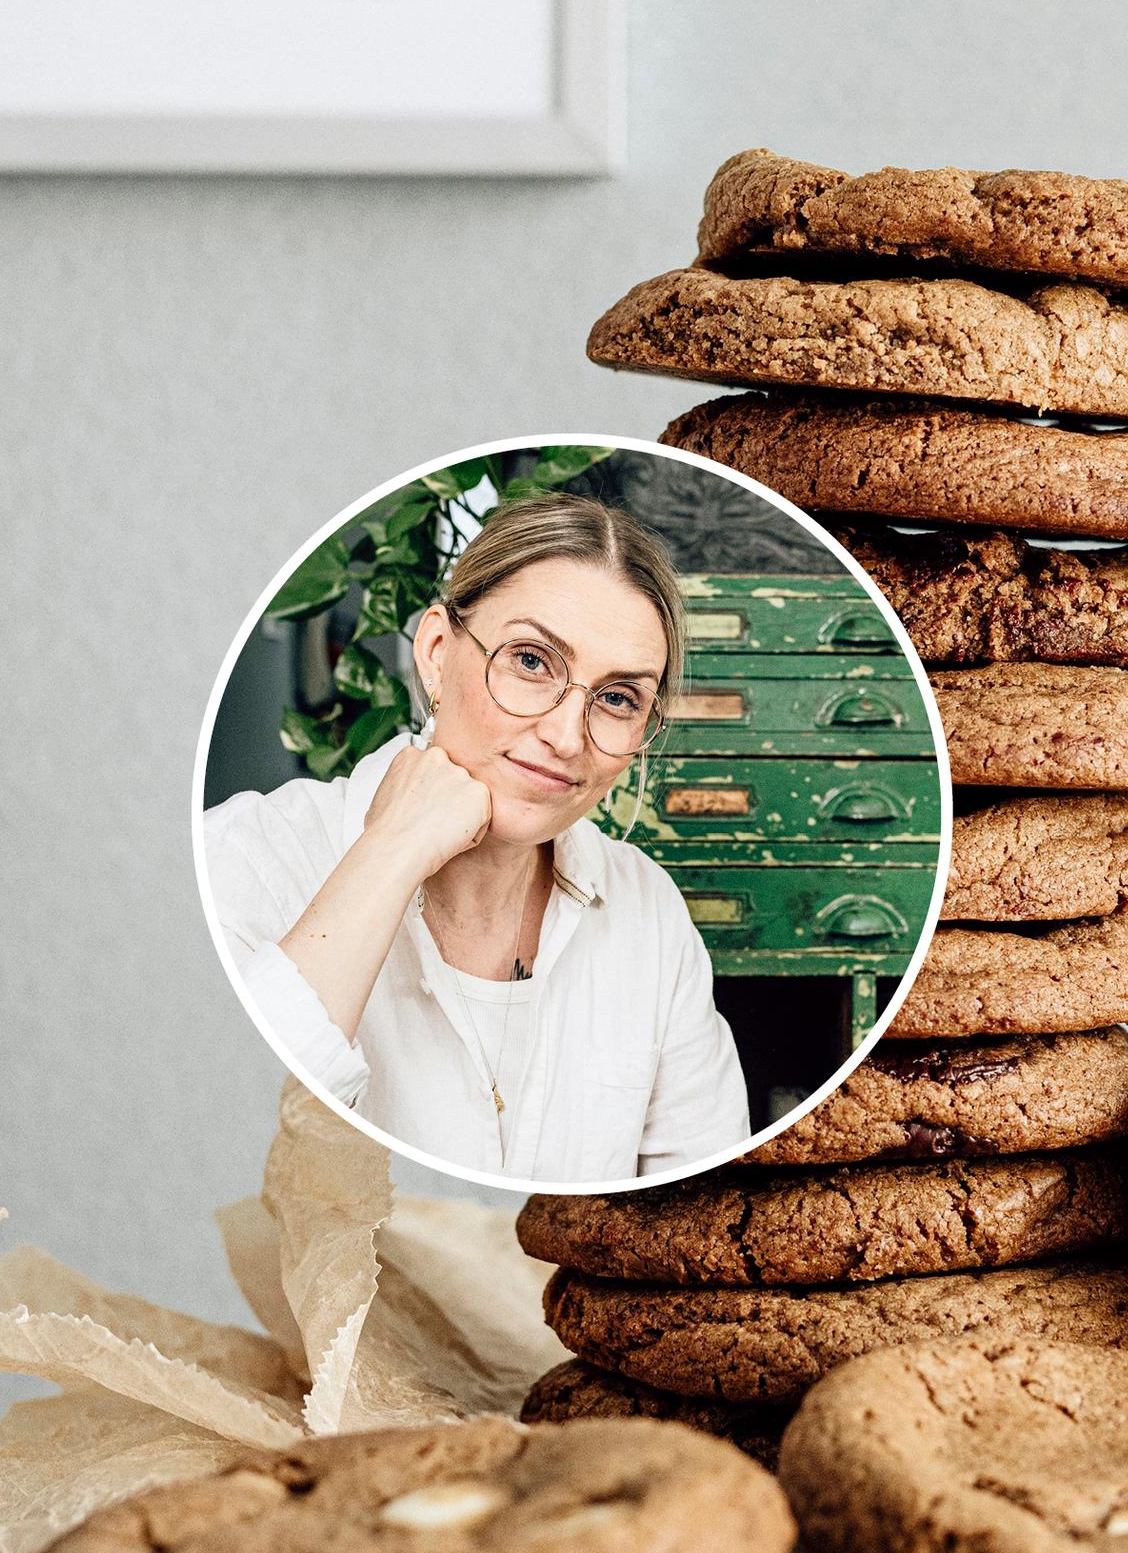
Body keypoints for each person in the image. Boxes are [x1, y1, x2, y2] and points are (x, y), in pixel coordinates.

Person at [205, 493, 749, 1182]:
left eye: (617, 699)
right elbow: (221, 1150)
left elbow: (696, 1203)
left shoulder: (646, 911)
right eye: (530, 660)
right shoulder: (238, 860)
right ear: (435, 652)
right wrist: (392, 849)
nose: (562, 736)